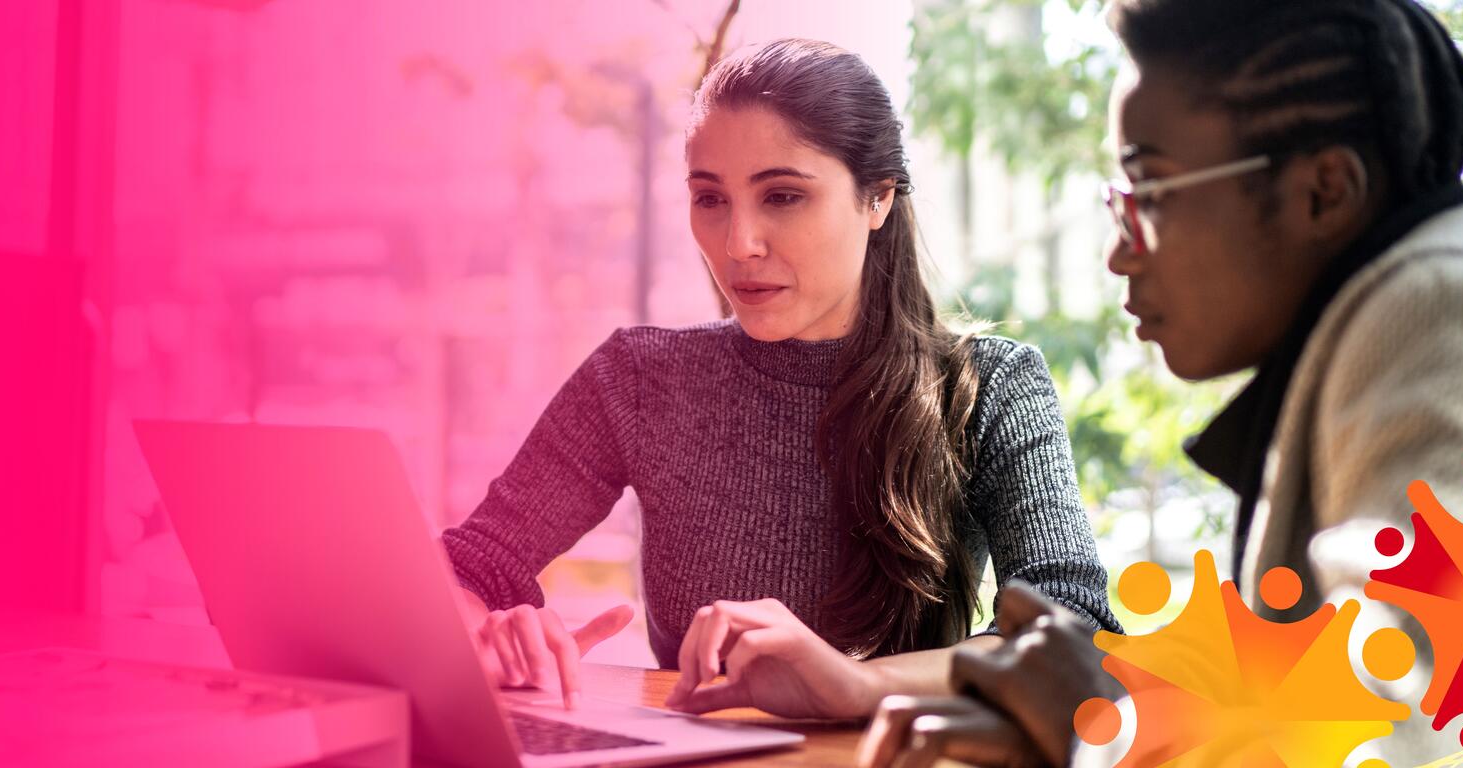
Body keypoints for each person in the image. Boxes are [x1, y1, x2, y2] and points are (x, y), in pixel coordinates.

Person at [859, 0, 1463, 765]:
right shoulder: (1412, 321)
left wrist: (1096, 729)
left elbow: (1392, 749)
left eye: (1152, 192)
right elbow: (1321, 690)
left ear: (1323, 192)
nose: (1119, 252)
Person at [439, 38, 1119, 718]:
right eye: (710, 199)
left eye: (783, 196)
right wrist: (483, 634)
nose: (739, 244)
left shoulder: (990, 388)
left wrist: (856, 686)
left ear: (877, 197)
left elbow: (1075, 636)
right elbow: (464, 567)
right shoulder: (639, 379)